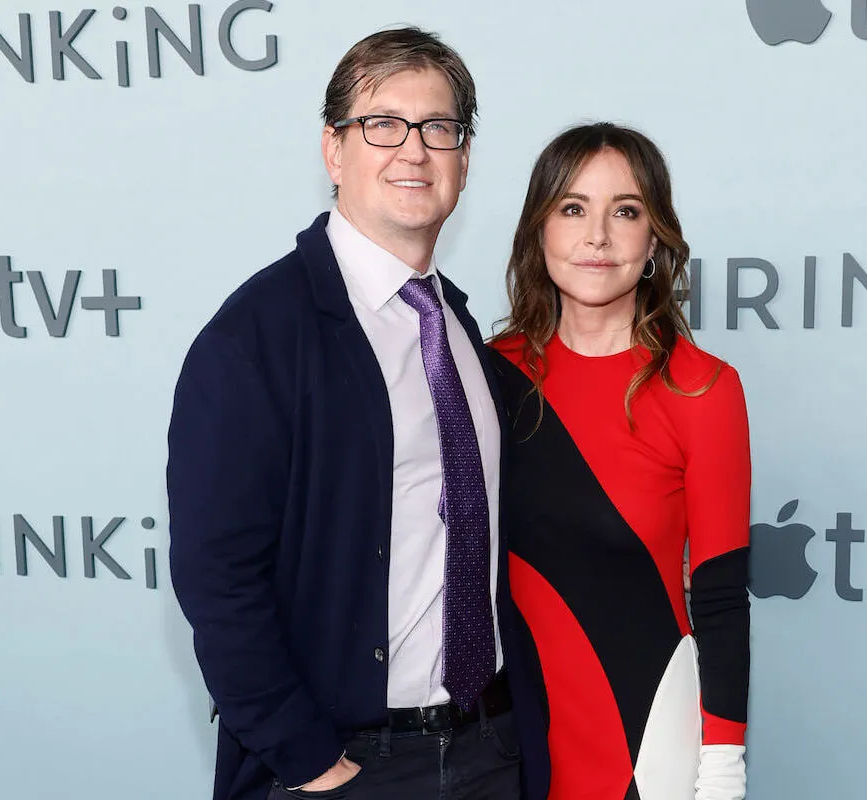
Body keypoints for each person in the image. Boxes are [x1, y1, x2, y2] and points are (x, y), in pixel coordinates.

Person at [167, 27, 545, 800]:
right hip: (346, 767)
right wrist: (310, 764)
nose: (414, 150)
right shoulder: (257, 336)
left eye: (439, 128)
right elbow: (217, 576)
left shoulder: (461, 333)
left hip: (491, 751)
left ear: (464, 162)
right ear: (334, 151)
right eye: (383, 125)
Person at [489, 122, 752, 800]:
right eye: (572, 208)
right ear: (538, 231)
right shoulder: (489, 377)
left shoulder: (703, 389)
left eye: (625, 211)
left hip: (644, 746)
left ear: (655, 237)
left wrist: (722, 767)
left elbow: (720, 598)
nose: (597, 236)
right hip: (499, 740)